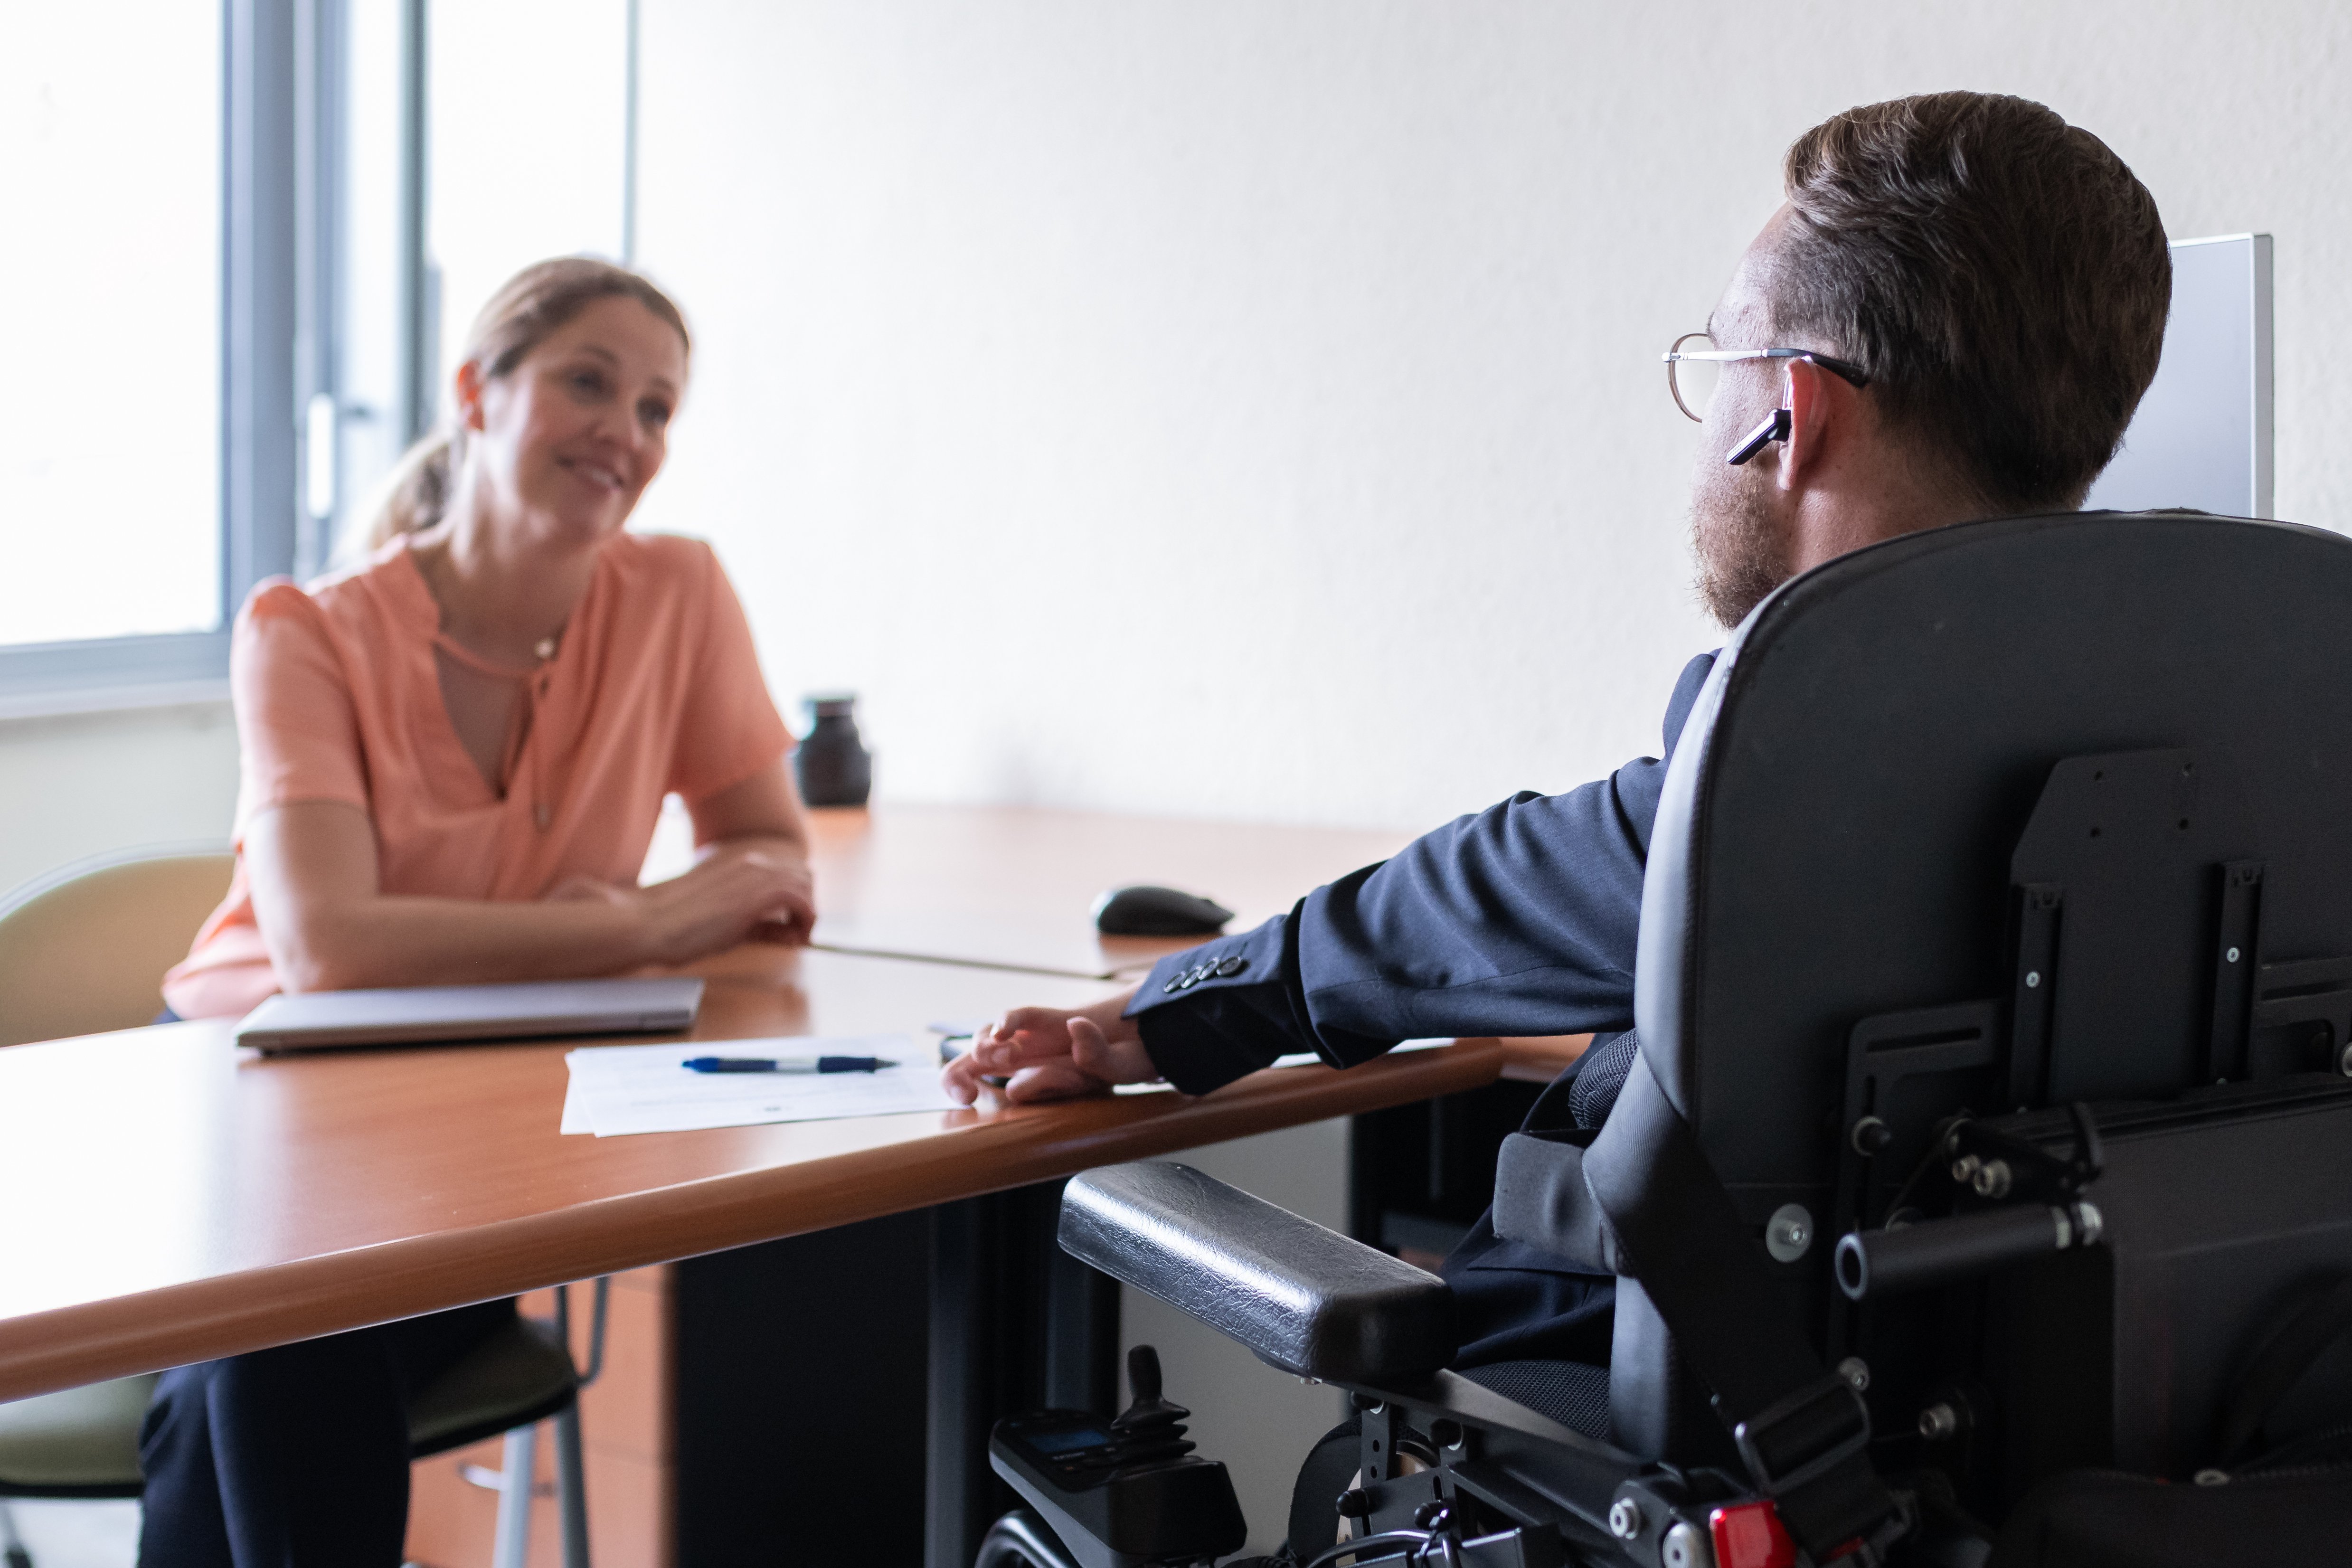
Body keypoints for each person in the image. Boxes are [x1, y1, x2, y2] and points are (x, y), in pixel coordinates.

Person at [942, 92, 2172, 1376]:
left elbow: (1474, 899)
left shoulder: (1801, 751)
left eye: (1716, 365)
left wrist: (1175, 1015)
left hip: (1629, 1471)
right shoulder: (2208, 720)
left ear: (1791, 416)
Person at [142, 258, 813, 1567]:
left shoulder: (677, 595)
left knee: (247, 1369)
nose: (627, 433)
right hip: (262, 1114)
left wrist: (641, 913)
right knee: (284, 1343)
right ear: (476, 392)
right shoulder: (307, 632)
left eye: (659, 409)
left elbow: (770, 863)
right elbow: (330, 948)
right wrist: (631, 923)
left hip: (476, 1139)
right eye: (588, 382)